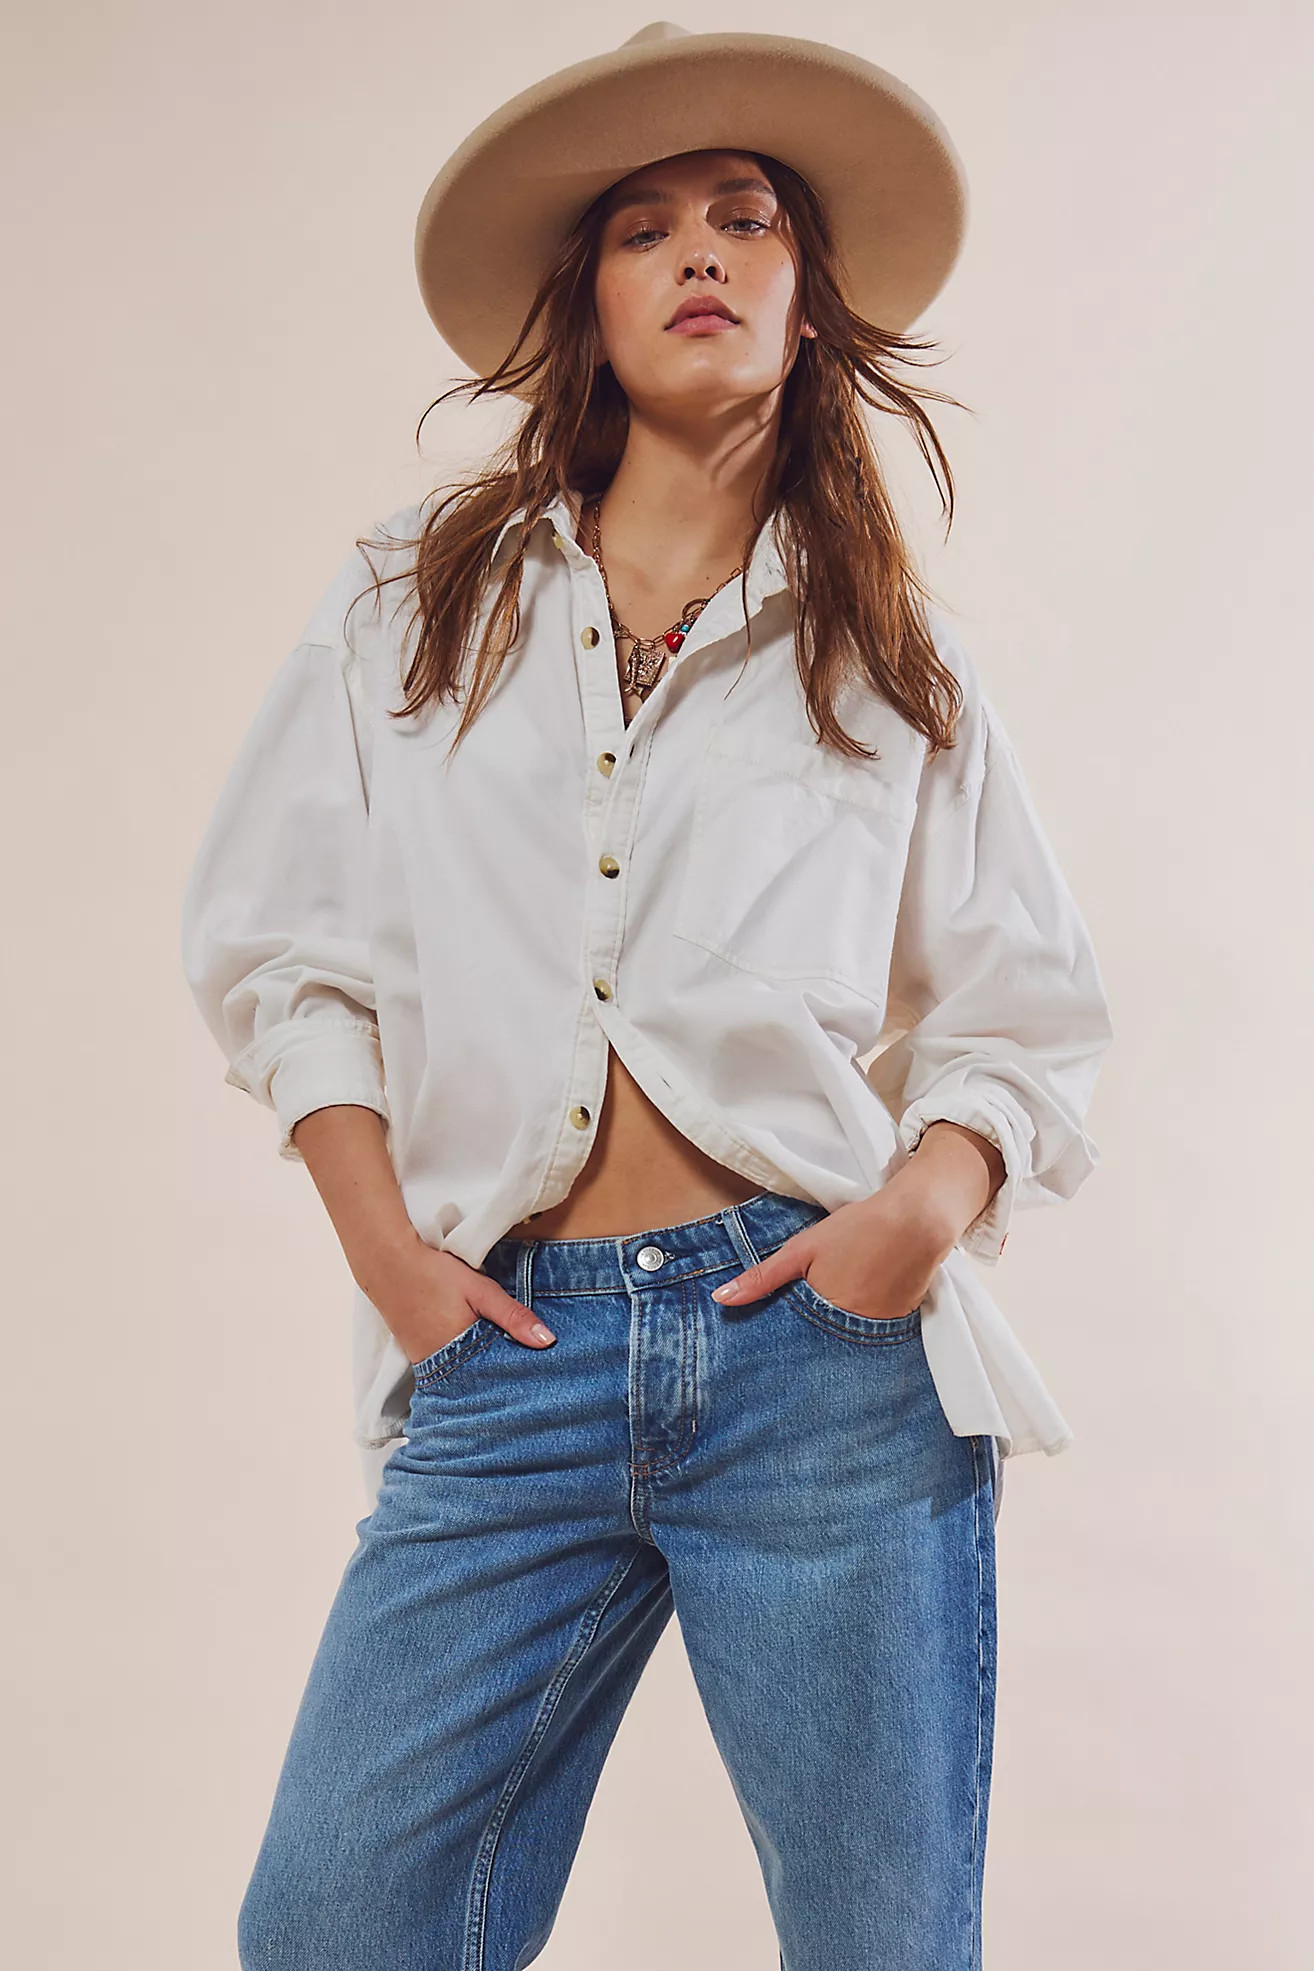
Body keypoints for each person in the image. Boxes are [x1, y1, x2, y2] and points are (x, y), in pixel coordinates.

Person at [181, 24, 1113, 1970]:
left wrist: (914, 1216)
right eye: (643, 228)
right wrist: (386, 1251)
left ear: (805, 293)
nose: (698, 250)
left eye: (744, 216)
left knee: (877, 1947)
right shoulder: (412, 605)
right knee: (334, 1925)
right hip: (507, 1346)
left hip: (824, 1359)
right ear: (587, 307)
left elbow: (1024, 1009)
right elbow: (283, 947)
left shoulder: (889, 657)